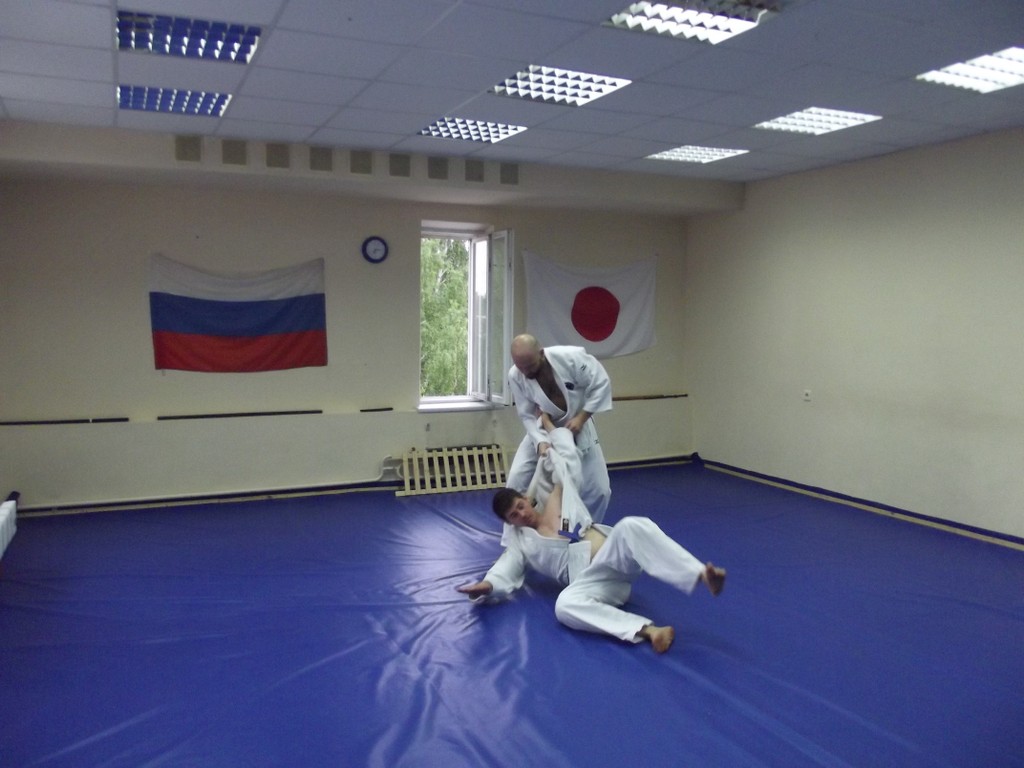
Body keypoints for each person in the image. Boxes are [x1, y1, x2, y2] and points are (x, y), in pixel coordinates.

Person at [458, 427, 725, 654]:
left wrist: (550, 433)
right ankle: (650, 631)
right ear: (509, 522)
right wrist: (487, 585)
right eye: (513, 515)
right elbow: (506, 567)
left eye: (520, 506)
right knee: (563, 606)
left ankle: (700, 573)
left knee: (631, 525)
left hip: (615, 557)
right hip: (595, 583)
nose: (521, 514)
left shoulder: (556, 498)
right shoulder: (521, 542)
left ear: (526, 499)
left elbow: (565, 464)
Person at [506, 333, 612, 523]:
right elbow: (527, 414)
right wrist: (540, 441)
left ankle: (588, 530)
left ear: (541, 353)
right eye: (520, 367)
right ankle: (522, 531)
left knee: (599, 490)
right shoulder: (515, 374)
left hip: (579, 425)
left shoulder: (570, 358)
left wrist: (582, 417)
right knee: (516, 479)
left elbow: (601, 382)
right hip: (542, 427)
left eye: (530, 366)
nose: (526, 373)